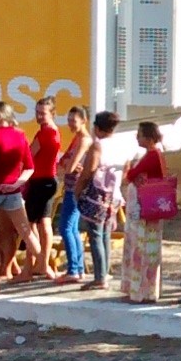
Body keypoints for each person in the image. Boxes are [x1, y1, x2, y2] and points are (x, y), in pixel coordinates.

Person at [0, 102, 33, 299]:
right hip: (13, 190)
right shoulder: (20, 135)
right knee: (27, 234)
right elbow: (29, 167)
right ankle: (38, 264)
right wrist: (16, 184)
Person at [121, 120, 169, 304]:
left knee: (141, 248)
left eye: (139, 134)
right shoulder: (154, 154)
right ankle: (146, 289)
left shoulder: (152, 155)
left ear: (148, 138)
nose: (137, 137)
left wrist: (130, 170)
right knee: (147, 248)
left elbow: (131, 175)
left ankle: (141, 289)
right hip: (148, 208)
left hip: (144, 209)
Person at [74, 112, 120, 290]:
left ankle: (100, 277)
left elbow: (88, 171)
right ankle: (104, 272)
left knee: (95, 234)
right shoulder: (120, 144)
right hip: (114, 193)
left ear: (97, 128)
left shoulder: (97, 146)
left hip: (98, 195)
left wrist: (78, 190)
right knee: (105, 233)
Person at [20, 97, 62, 279]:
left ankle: (31, 267)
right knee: (42, 222)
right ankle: (40, 263)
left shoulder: (46, 133)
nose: (38, 116)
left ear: (52, 114)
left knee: (30, 224)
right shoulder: (53, 131)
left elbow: (29, 155)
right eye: (37, 112)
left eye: (42, 113)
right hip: (46, 179)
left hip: (41, 180)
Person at [55, 105, 92, 284]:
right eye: (68, 120)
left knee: (66, 227)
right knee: (73, 228)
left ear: (84, 121)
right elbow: (64, 162)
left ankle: (73, 269)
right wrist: (68, 163)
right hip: (71, 186)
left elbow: (68, 166)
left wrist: (69, 163)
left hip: (76, 189)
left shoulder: (84, 140)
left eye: (74, 121)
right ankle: (78, 268)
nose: (70, 124)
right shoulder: (76, 139)